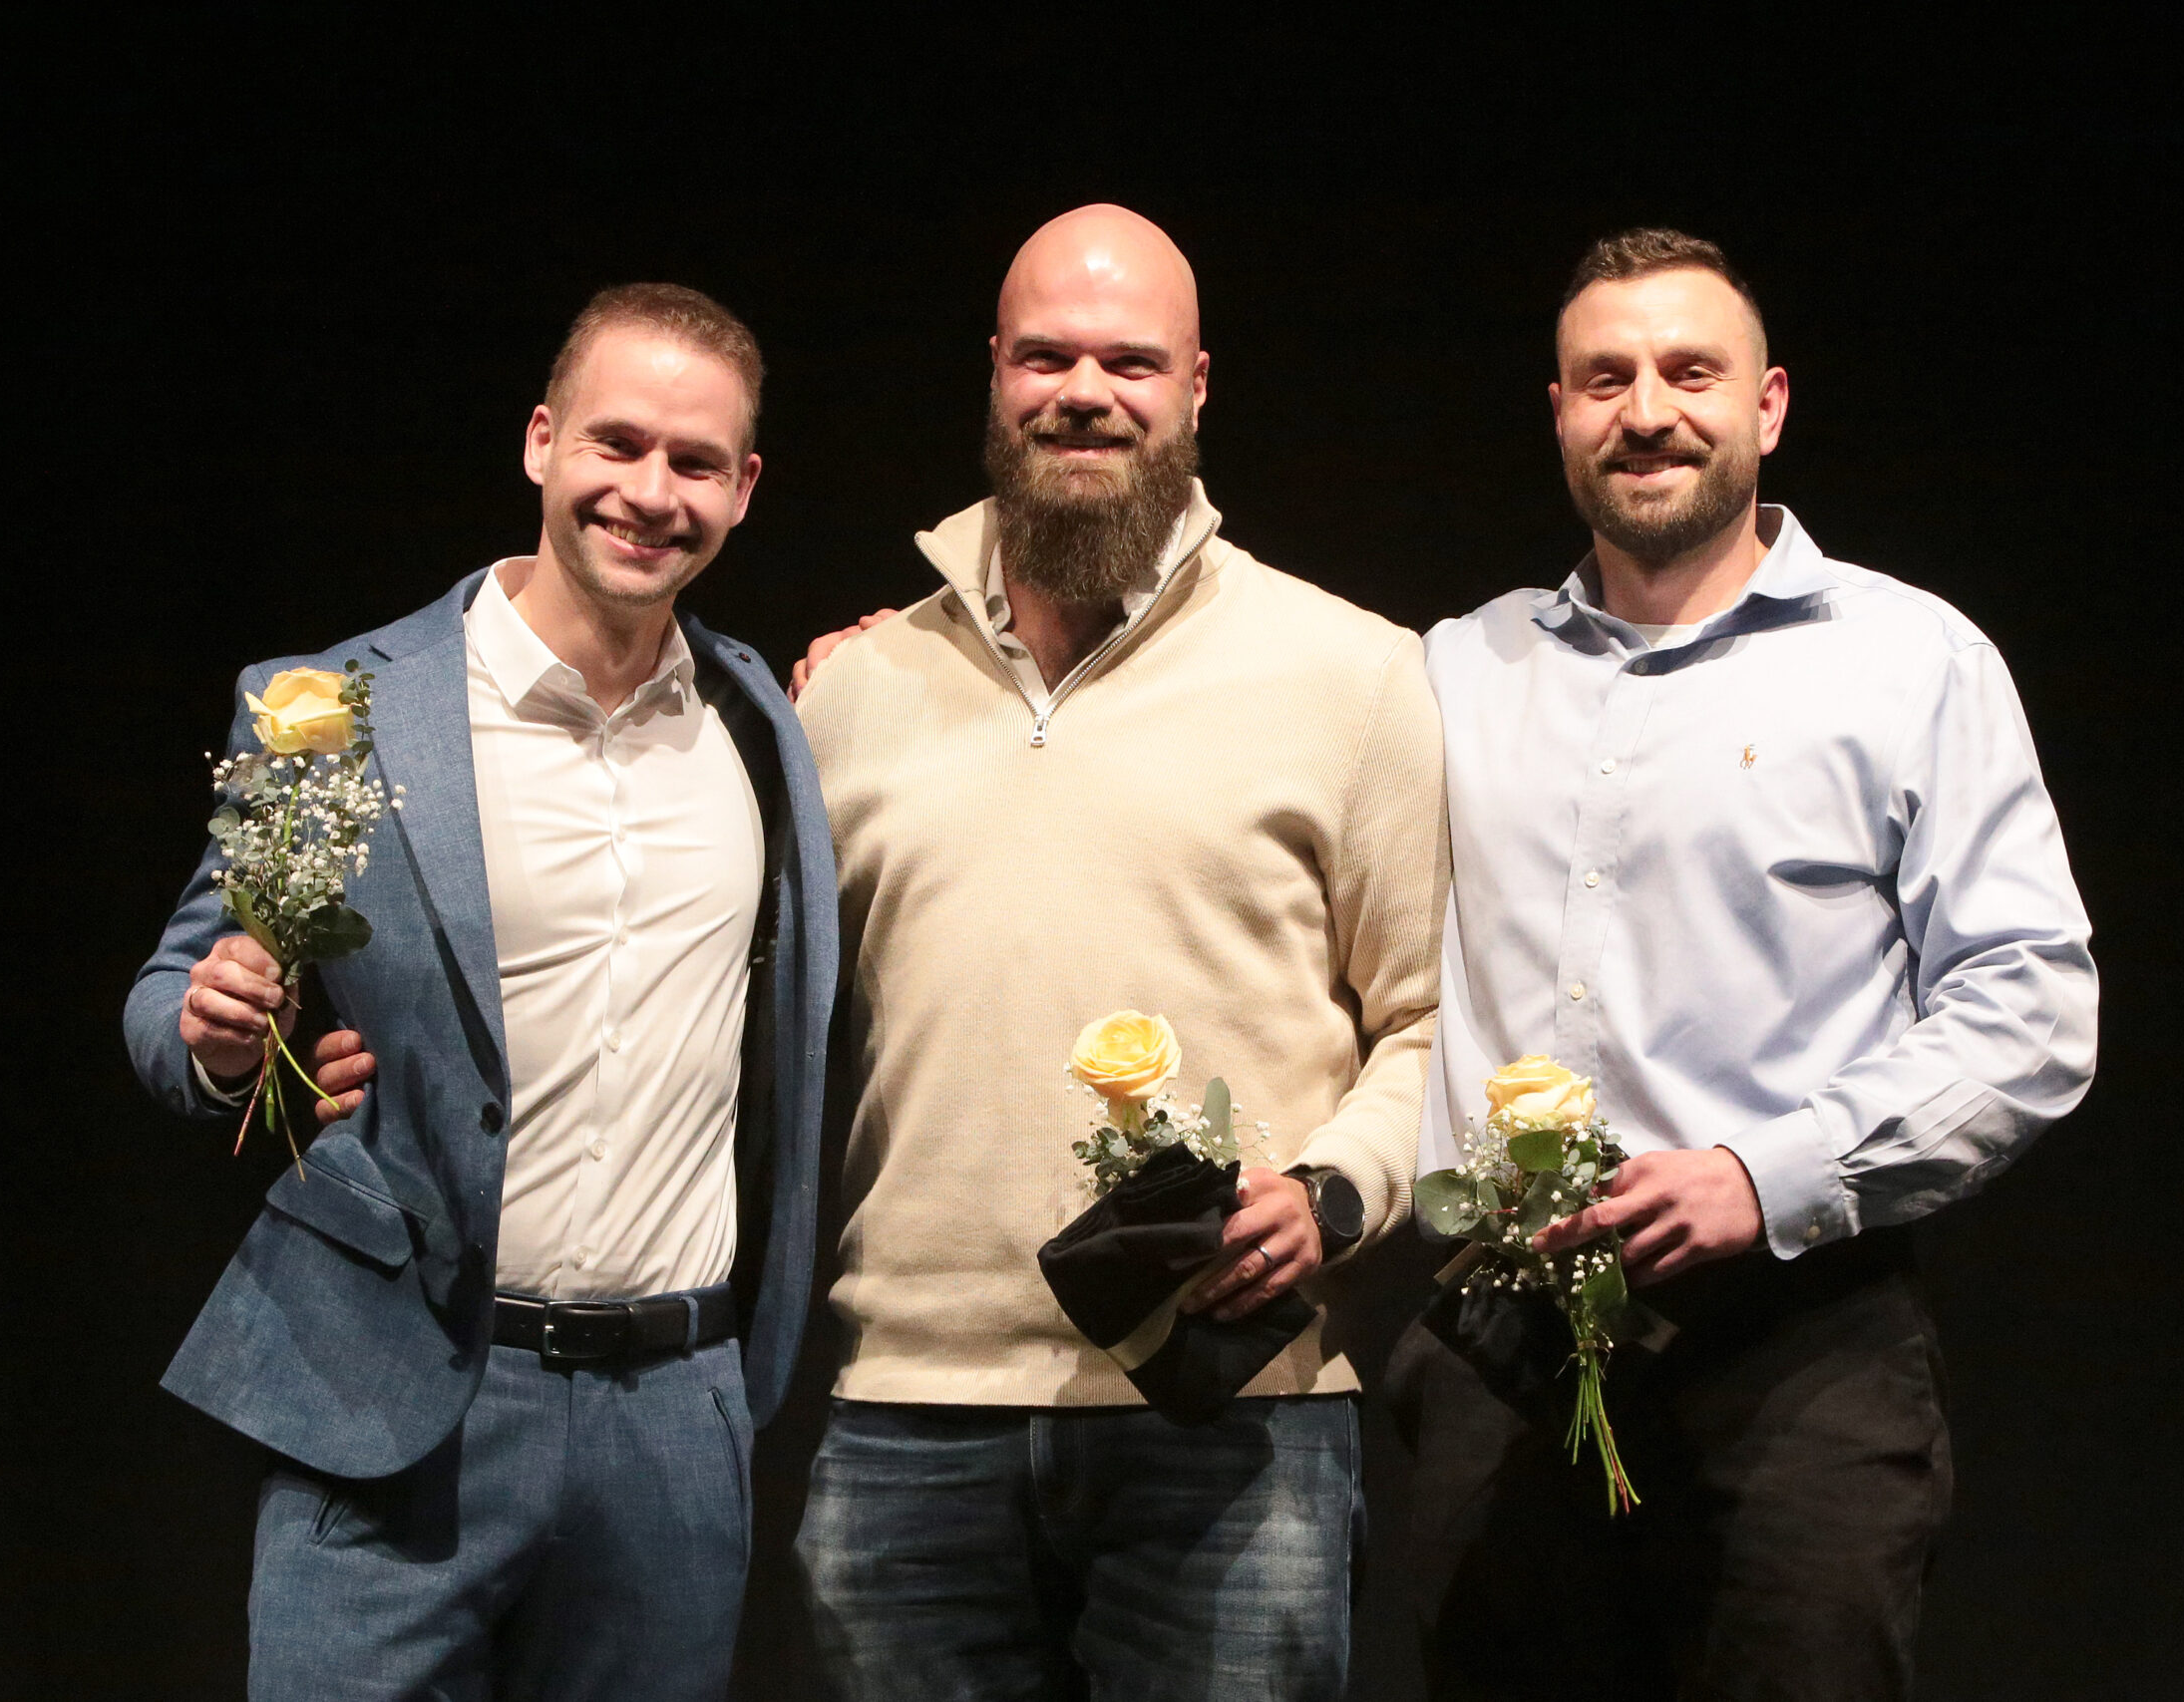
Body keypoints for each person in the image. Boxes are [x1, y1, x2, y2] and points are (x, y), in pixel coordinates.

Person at [1388, 228, 2099, 1701]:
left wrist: (1765, 1177)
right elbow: (1235, 730)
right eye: (1606, 380)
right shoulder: (1454, 670)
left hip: (1799, 1348)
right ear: (1559, 414)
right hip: (1507, 1349)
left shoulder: (1910, 662)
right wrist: (951, 641)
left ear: (1767, 406)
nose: (1647, 411)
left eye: (1690, 373)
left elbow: (2032, 1006)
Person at [124, 282, 836, 1701]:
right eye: (615, 443)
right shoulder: (342, 709)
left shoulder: (763, 723)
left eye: (694, 462)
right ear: (540, 442)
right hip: (399, 1395)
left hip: (672, 1417)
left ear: (744, 489)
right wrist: (219, 1037)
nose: (650, 493)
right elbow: (169, 999)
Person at [786, 204, 1446, 1701]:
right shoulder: (853, 692)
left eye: (1130, 361)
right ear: (995, 373)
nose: (1085, 392)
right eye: (1048, 357)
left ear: (1196, 386)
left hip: (1234, 1410)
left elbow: (1431, 1023)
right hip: (911, 1418)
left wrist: (1331, 1195)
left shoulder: (1353, 675)